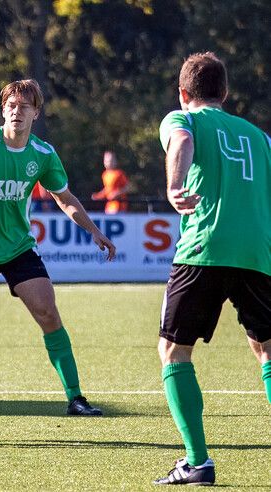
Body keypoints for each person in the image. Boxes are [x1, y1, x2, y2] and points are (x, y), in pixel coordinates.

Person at [0, 79, 116, 418]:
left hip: (18, 247)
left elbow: (65, 199)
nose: (17, 112)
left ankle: (76, 398)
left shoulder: (43, 154)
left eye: (24, 106)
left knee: (49, 313)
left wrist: (94, 230)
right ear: (3, 110)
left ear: (36, 112)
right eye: (11, 106)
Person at [153, 52, 271, 486]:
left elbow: (181, 143)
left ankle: (197, 461)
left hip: (205, 247)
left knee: (173, 352)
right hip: (259, 254)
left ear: (183, 94)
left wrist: (174, 186)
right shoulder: (259, 136)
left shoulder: (182, 119)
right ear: (225, 92)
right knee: (267, 349)